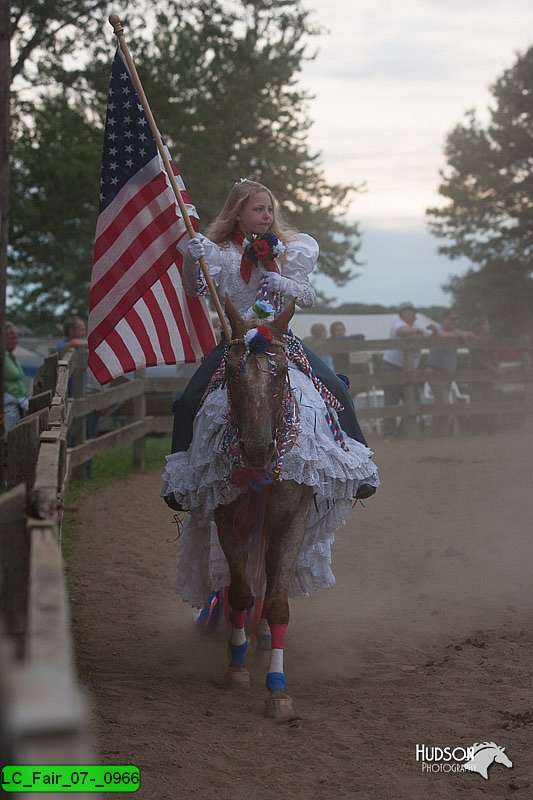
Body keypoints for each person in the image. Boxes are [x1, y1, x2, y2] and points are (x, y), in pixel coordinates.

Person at [162, 179, 379, 604]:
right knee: (190, 400)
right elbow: (196, 289)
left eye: (269, 208)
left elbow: (310, 297)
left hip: (280, 339)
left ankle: (359, 467)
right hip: (236, 341)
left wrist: (287, 287)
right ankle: (181, 481)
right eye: (258, 209)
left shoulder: (290, 249)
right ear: (238, 211)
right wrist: (193, 261)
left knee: (334, 386)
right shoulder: (219, 253)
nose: (266, 215)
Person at [56, 315, 104, 476]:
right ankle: (75, 471)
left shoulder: (77, 346)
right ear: (71, 331)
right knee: (74, 435)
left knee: (87, 434)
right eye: (81, 329)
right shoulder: (65, 346)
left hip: (83, 396)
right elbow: (74, 343)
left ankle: (84, 471)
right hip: (72, 396)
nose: (84, 332)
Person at [380, 301, 428, 439]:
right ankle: (388, 434)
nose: (412, 314)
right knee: (391, 403)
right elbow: (401, 331)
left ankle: (401, 432)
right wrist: (419, 332)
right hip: (392, 367)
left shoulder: (417, 324)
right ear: (402, 313)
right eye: (408, 311)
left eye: (413, 311)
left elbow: (430, 333)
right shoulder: (398, 322)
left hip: (408, 370)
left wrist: (426, 331)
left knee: (415, 402)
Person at [426, 309, 475, 436]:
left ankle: (440, 434)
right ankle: (436, 434)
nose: (455, 322)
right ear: (444, 319)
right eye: (452, 319)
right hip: (436, 372)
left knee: (442, 406)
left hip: (447, 374)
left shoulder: (455, 332)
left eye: (456, 319)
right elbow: (440, 335)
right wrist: (461, 335)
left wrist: (468, 334)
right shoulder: (439, 330)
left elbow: (466, 335)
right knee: (443, 405)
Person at [4, 322, 30, 437]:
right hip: (8, 403)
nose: (14, 341)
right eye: (11, 338)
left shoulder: (11, 356)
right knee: (11, 434)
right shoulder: (2, 357)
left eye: (16, 338)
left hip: (20, 399)